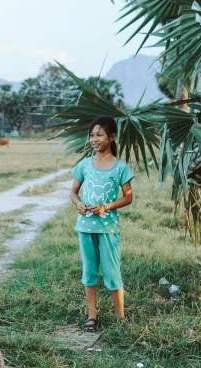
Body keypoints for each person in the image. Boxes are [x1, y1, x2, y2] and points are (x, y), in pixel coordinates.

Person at [69, 116, 134, 331]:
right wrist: (78, 204)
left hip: (108, 229)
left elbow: (128, 197)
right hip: (85, 227)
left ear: (112, 137)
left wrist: (107, 206)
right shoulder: (85, 164)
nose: (94, 139)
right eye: (92, 135)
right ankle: (92, 316)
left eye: (100, 134)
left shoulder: (120, 167)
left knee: (112, 272)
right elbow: (73, 192)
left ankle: (120, 317)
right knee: (89, 272)